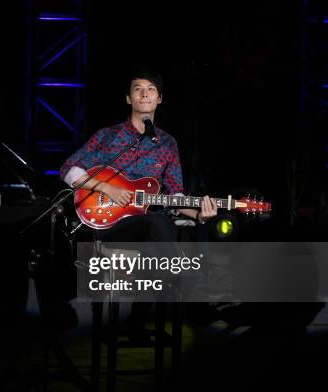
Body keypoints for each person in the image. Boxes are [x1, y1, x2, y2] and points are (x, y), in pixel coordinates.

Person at [60, 67, 217, 338]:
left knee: (158, 227)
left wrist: (199, 215)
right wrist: (106, 187)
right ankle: (187, 296)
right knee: (158, 224)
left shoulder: (167, 143)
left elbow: (175, 195)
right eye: (137, 89)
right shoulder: (107, 136)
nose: (144, 94)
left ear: (159, 100)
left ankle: (138, 322)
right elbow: (69, 170)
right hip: (108, 224)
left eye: (151, 89)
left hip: (146, 227)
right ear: (128, 99)